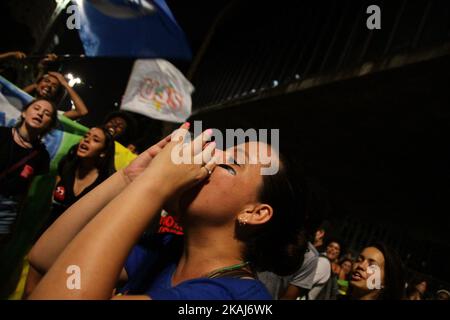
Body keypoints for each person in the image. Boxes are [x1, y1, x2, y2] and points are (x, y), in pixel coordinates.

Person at [27, 124, 306, 299]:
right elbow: (46, 258)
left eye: (231, 163)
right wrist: (128, 179)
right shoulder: (165, 248)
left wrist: (154, 186)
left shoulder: (240, 298)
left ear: (255, 213)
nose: (208, 157)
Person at [0, 98, 57, 242]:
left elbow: (27, 191)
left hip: (6, 211)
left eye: (47, 113)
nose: (40, 114)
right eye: (36, 108)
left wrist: (15, 222)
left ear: (49, 124)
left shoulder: (42, 156)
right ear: (24, 113)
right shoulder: (2, 134)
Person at [23, 55, 88, 121]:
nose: (49, 86)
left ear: (56, 94)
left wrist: (64, 83)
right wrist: (36, 85)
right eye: (47, 81)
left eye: (54, 86)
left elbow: (82, 111)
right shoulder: (23, 101)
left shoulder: (53, 115)